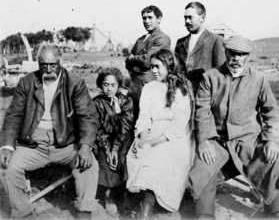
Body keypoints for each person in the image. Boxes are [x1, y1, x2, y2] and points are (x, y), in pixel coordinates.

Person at [189, 36, 279, 219]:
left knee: (273, 161)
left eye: (241, 54)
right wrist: (204, 141)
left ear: (248, 56)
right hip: (218, 142)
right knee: (202, 167)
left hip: (249, 141)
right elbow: (202, 112)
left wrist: (271, 141)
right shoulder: (211, 77)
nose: (236, 59)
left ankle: (277, 212)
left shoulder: (258, 78)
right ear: (225, 53)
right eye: (232, 54)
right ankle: (204, 215)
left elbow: (271, 112)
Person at [0, 44, 99, 219]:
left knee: (89, 165)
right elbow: (13, 115)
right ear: (38, 64)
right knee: (7, 168)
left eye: (52, 64)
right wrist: (7, 146)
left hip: (65, 143)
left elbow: (87, 117)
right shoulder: (27, 82)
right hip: (33, 143)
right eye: (43, 64)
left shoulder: (75, 83)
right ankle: (23, 213)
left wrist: (85, 146)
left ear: (60, 62)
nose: (48, 69)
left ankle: (84, 212)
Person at [126, 49, 194, 218]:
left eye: (158, 67)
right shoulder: (149, 88)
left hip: (173, 137)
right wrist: (142, 137)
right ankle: (139, 200)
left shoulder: (181, 88)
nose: (154, 71)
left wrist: (152, 142)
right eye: (151, 67)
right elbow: (144, 117)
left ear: (169, 66)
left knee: (156, 157)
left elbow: (179, 124)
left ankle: (146, 209)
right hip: (151, 132)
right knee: (137, 152)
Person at [93, 67, 133, 215]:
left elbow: (125, 127)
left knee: (122, 157)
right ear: (100, 85)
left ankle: (122, 191)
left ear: (119, 85)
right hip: (103, 140)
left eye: (113, 85)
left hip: (122, 138)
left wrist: (115, 148)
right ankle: (109, 195)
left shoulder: (126, 101)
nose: (109, 89)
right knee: (104, 158)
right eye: (105, 84)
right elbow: (97, 129)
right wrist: (108, 150)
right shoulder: (96, 103)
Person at [125, 5, 171, 122]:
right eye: (144, 18)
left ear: (159, 19)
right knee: (132, 119)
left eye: (150, 17)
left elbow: (147, 61)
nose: (147, 21)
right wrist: (134, 63)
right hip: (134, 87)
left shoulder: (162, 38)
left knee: (148, 121)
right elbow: (127, 63)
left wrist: (133, 58)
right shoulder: (141, 39)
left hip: (150, 86)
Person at [175, 2, 225, 91]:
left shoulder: (216, 40)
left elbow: (220, 73)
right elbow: (177, 69)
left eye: (190, 17)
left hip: (204, 93)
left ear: (202, 18)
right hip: (183, 92)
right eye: (185, 18)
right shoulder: (181, 42)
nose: (186, 21)